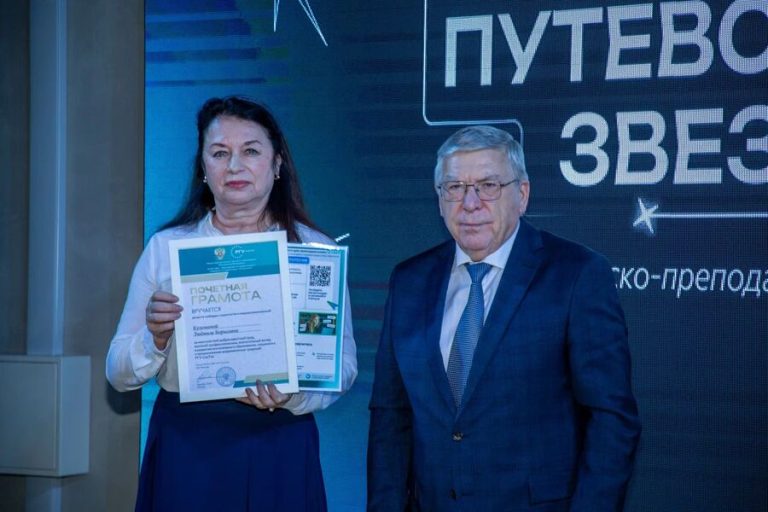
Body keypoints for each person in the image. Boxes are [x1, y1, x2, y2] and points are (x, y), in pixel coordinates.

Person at [367, 125, 641, 511]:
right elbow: (390, 417)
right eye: (455, 187)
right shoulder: (409, 281)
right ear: (440, 199)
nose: (470, 203)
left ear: (522, 194)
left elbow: (611, 419)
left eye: (488, 186)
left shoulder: (576, 274)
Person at [107, 96, 358, 512]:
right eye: (220, 153)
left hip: (280, 443)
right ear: (203, 168)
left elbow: (342, 368)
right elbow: (117, 373)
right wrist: (155, 339)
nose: (235, 166)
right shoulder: (167, 248)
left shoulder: (315, 253)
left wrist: (292, 397)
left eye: (251, 151)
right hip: (186, 446)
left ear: (277, 164)